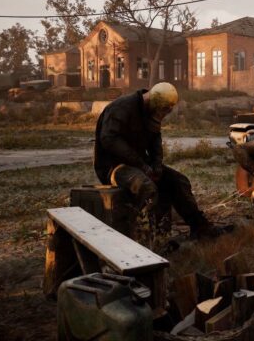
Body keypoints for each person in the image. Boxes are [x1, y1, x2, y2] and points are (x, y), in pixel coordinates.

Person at [94, 82, 224, 240]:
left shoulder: (152, 109)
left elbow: (155, 140)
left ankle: (200, 228)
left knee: (178, 181)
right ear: (153, 102)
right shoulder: (121, 108)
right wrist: (142, 165)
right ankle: (151, 238)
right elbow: (109, 139)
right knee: (147, 188)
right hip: (114, 167)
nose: (163, 115)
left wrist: (156, 166)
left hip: (140, 165)